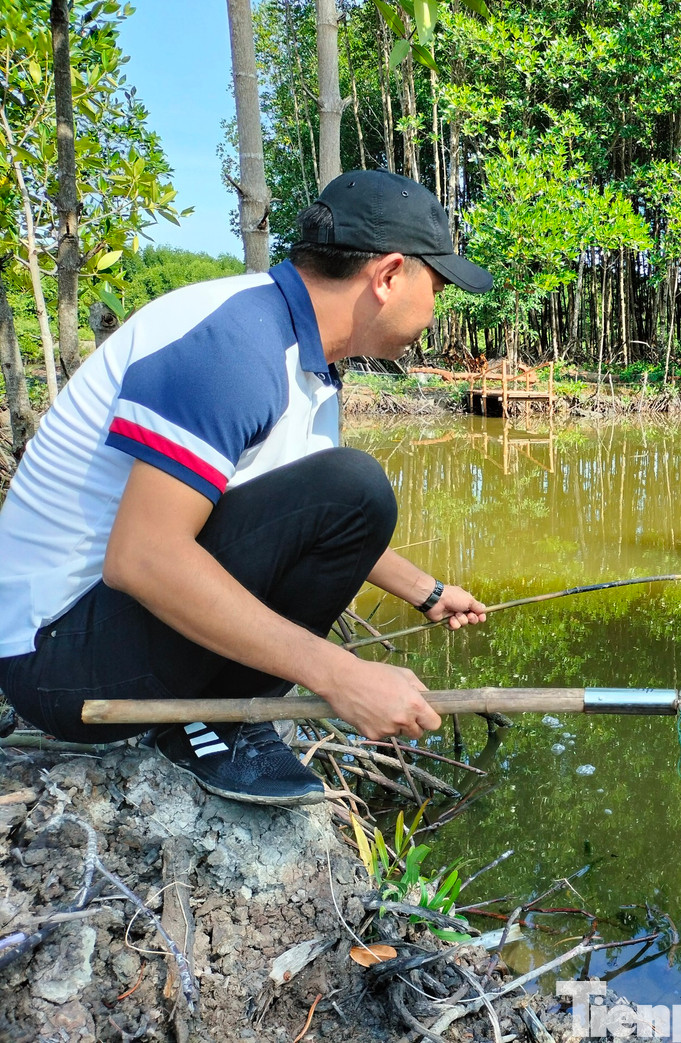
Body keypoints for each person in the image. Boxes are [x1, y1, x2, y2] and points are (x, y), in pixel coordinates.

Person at [0, 170, 492, 807]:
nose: (436, 310)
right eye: (438, 286)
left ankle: (219, 716)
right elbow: (141, 558)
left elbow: (305, 520)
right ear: (390, 275)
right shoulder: (234, 347)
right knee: (356, 485)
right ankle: (213, 724)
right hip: (56, 662)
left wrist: (428, 593)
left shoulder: (298, 353)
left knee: (355, 497)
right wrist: (341, 674)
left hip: (98, 630)